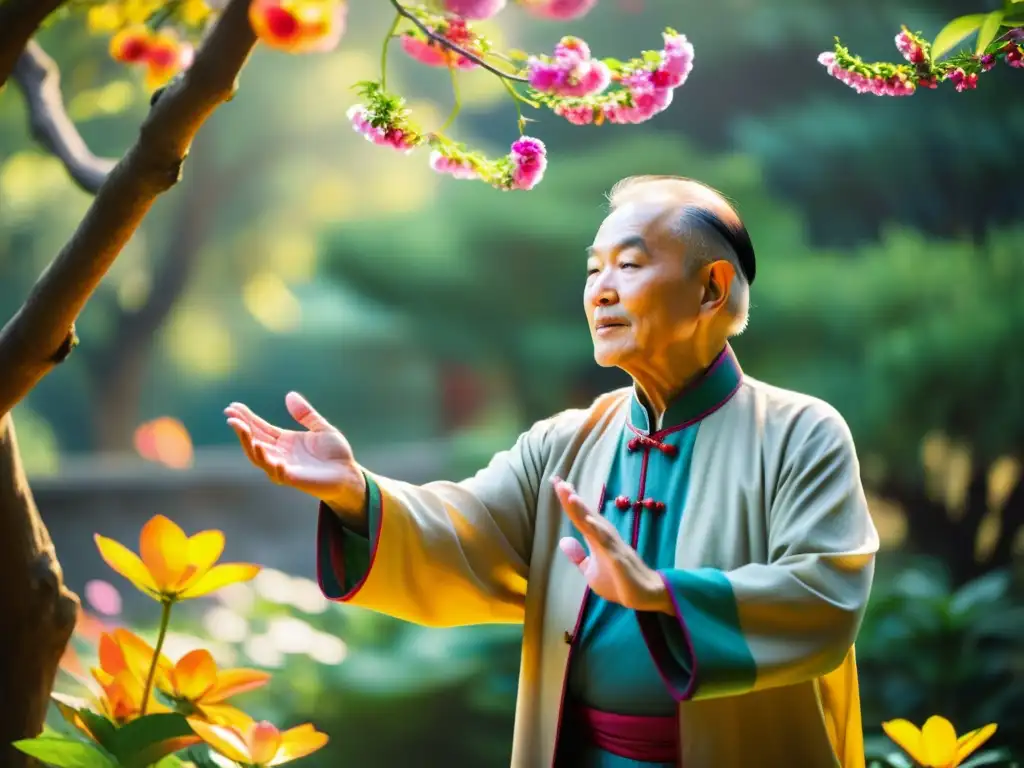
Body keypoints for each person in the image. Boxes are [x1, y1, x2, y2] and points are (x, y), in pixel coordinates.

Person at [225, 175, 879, 768]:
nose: (601, 290)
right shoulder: (568, 440)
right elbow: (466, 530)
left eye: (629, 264)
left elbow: (824, 596)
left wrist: (661, 592)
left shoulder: (800, 434)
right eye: (594, 270)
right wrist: (355, 494)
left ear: (710, 288)